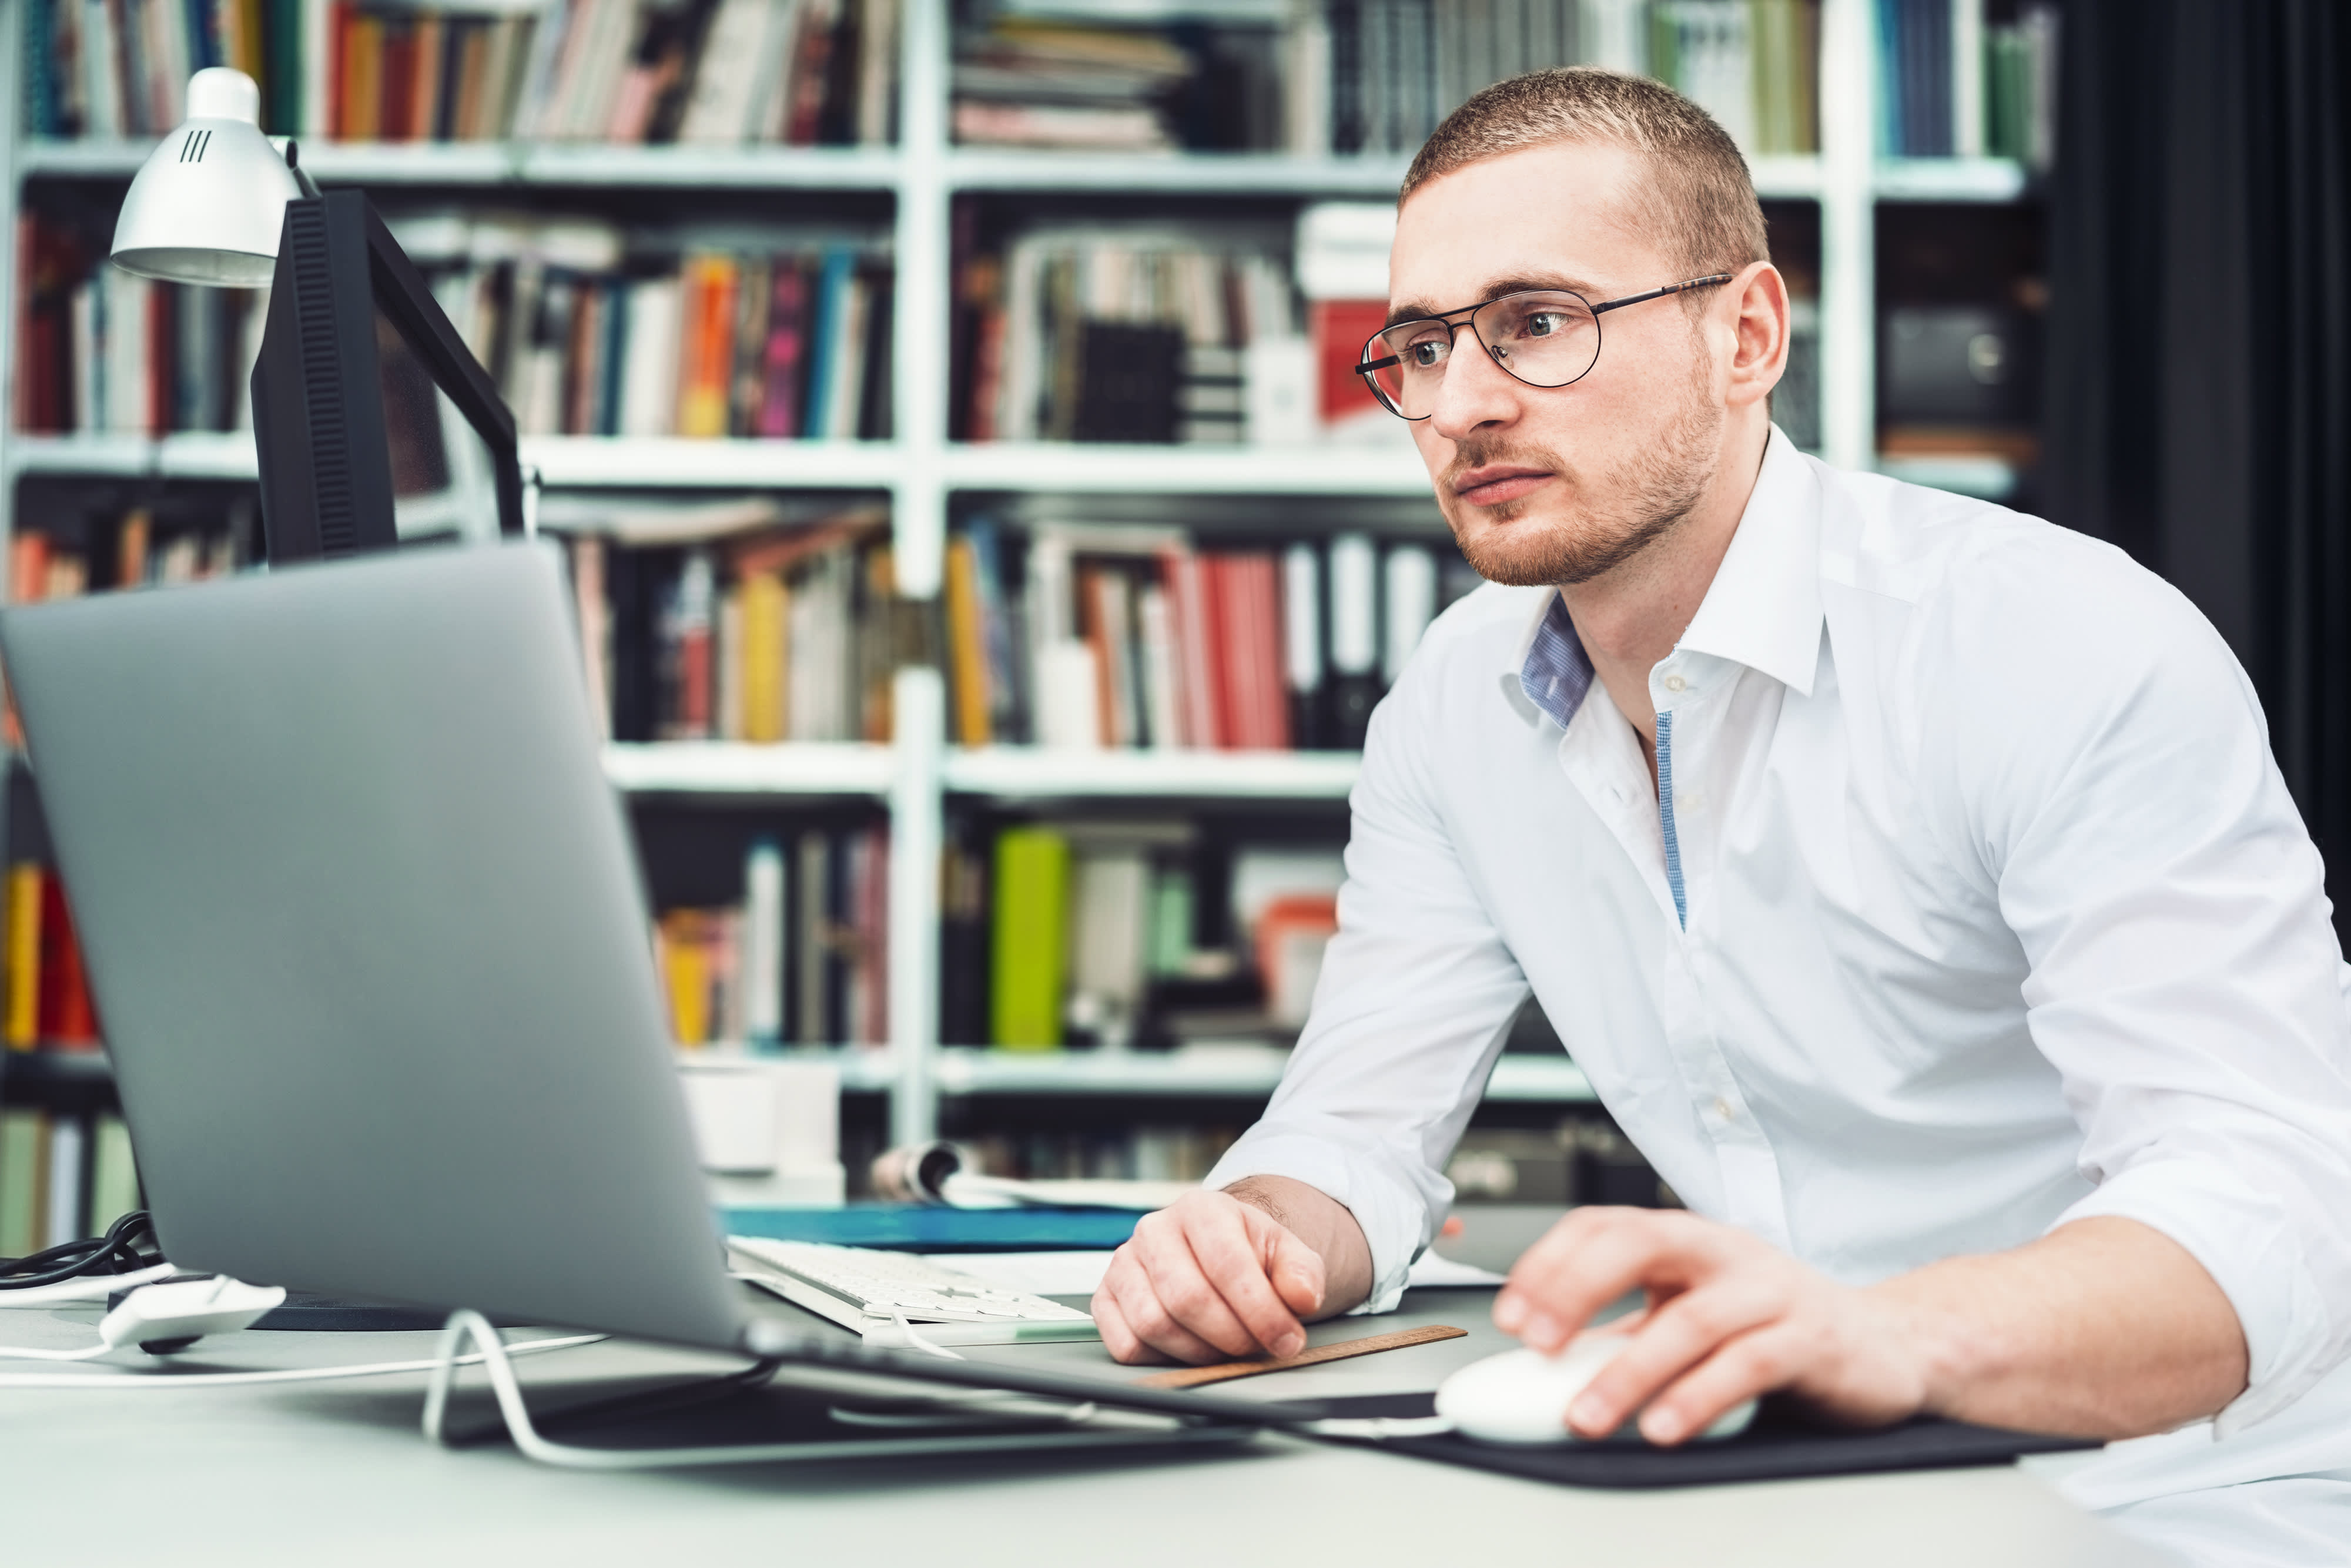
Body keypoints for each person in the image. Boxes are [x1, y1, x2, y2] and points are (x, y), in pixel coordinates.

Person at [1089, 68, 2351, 1563]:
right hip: (1779, 1480)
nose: (1461, 403)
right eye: (1420, 347)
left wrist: (1881, 1337)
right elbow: (1355, 1131)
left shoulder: (2055, 641)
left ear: (1744, 334)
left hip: (2173, 1491)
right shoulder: (1450, 701)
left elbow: (2270, 1206)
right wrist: (1249, 1236)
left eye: (1536, 323)